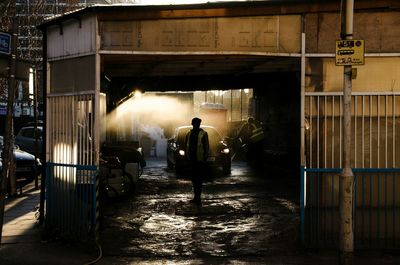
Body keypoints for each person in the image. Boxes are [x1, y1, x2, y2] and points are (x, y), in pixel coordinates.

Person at [185, 117, 209, 206]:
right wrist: (187, 158)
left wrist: (204, 159)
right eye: (195, 123)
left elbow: (206, 147)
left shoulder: (203, 134)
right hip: (192, 160)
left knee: (198, 180)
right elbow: (186, 146)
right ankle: (196, 197)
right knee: (194, 180)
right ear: (192, 124)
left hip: (199, 161)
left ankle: (198, 198)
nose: (196, 125)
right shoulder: (189, 133)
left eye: (198, 124)